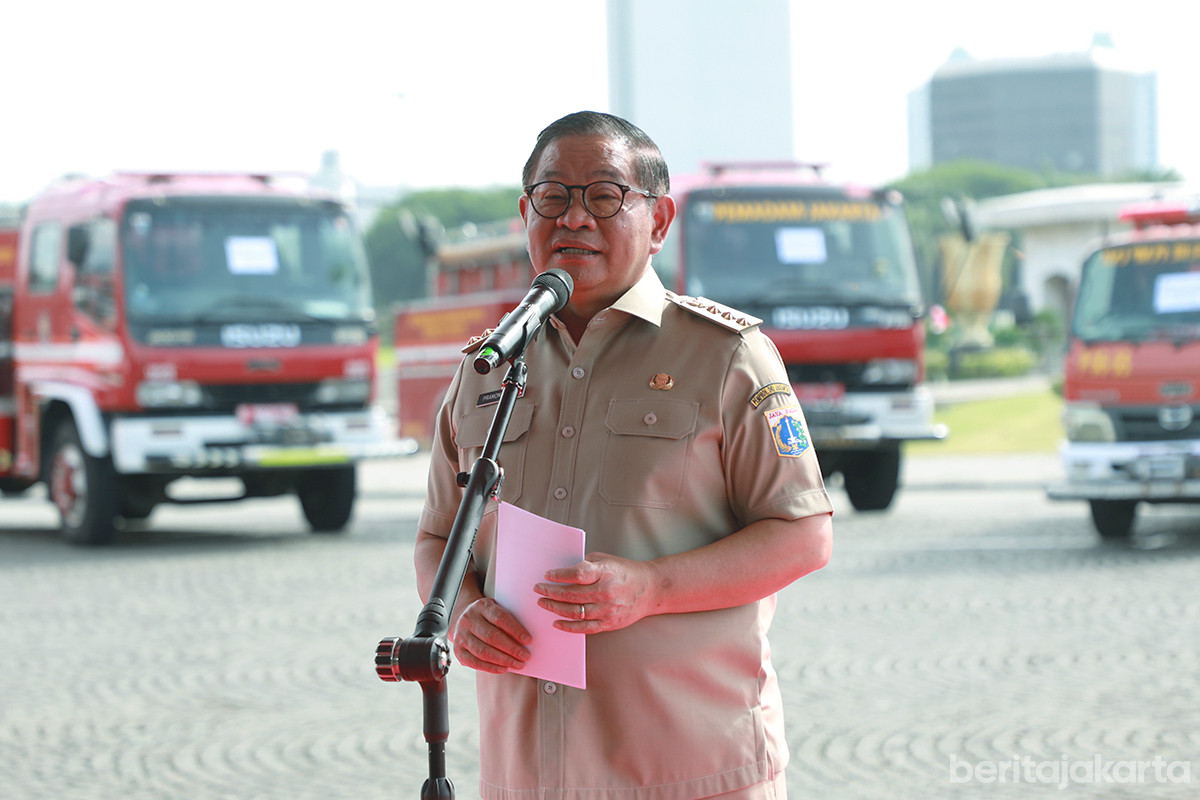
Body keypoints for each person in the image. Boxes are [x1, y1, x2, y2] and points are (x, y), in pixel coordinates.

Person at [414, 111, 833, 800]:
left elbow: (804, 536)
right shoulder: (487, 366)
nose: (574, 218)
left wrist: (653, 587)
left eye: (605, 196)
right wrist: (462, 611)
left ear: (659, 221)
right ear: (526, 214)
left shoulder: (727, 354)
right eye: (553, 196)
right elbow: (438, 537)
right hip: (528, 776)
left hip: (691, 772)